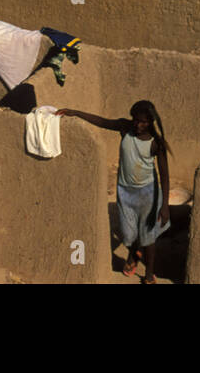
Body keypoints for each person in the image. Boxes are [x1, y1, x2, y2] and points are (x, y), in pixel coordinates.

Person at [56, 100, 172, 283]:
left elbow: (165, 176)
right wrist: (74, 112)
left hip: (148, 194)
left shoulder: (156, 143)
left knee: (148, 237)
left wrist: (164, 206)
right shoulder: (125, 128)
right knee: (128, 234)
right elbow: (102, 121)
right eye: (135, 120)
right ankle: (134, 252)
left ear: (150, 122)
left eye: (143, 122)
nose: (138, 125)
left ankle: (149, 273)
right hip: (125, 192)